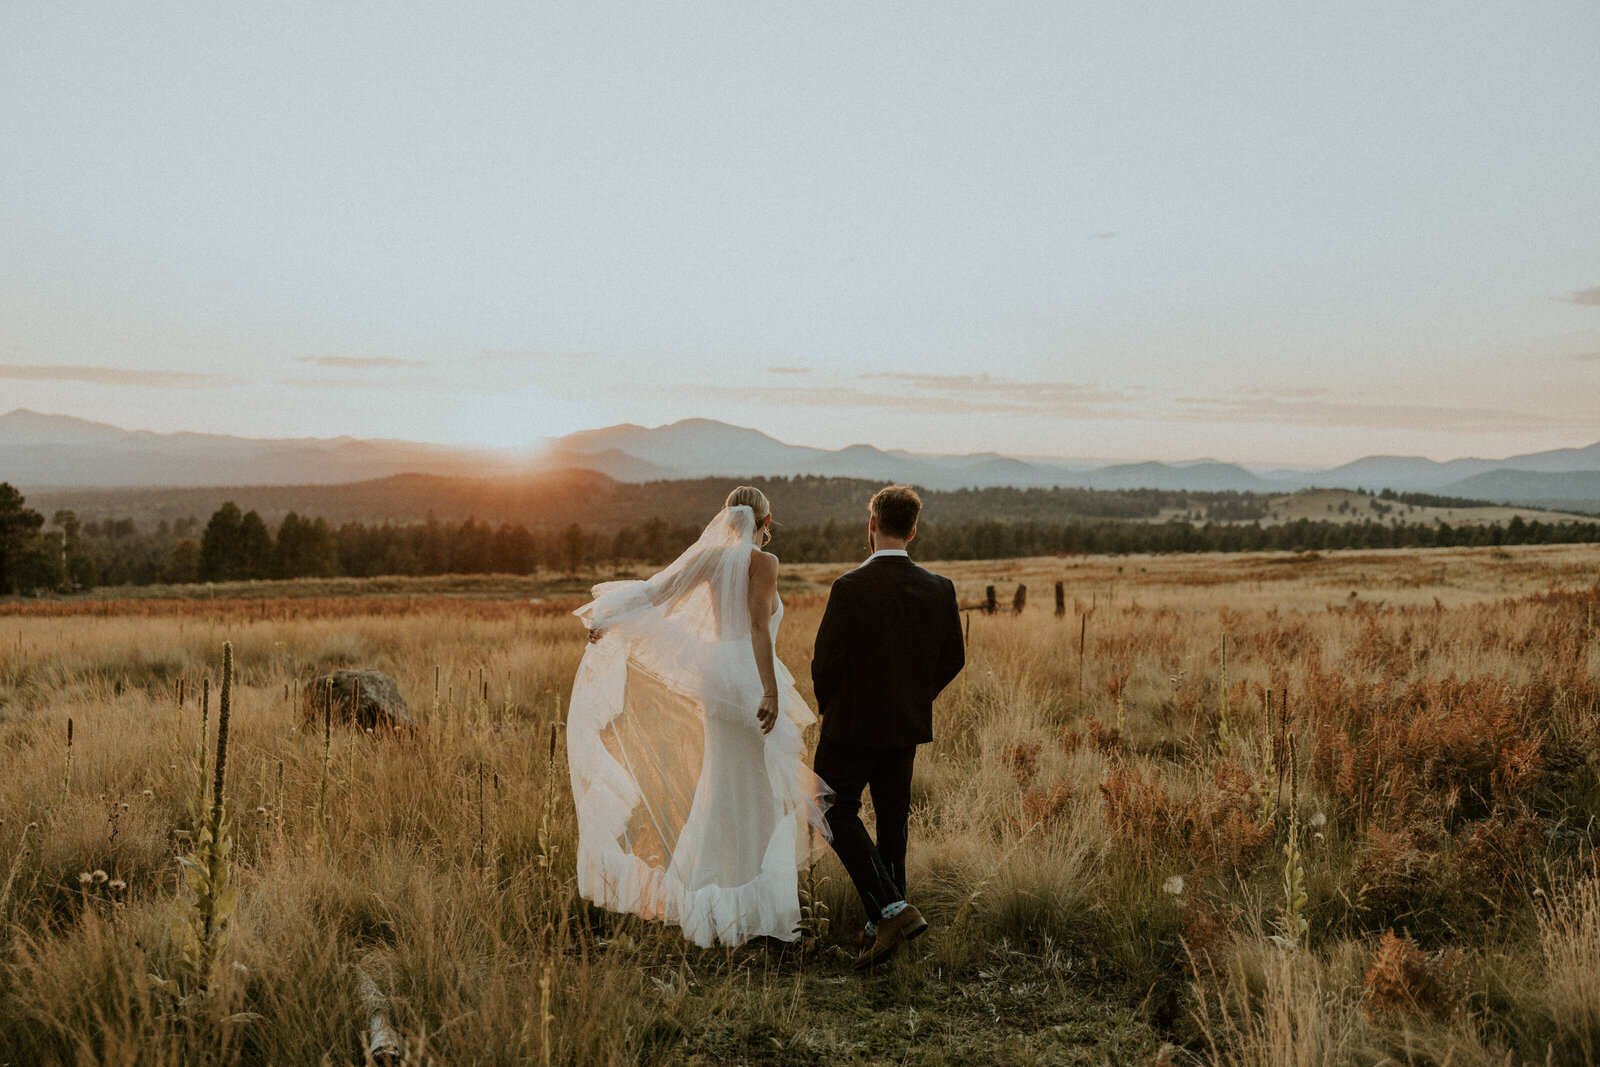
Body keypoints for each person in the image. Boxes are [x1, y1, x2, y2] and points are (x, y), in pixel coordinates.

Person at [567, 486, 830, 947]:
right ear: (765, 523)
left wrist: (610, 619)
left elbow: (656, 594)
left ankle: (715, 911)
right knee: (757, 791)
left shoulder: (709, 560)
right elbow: (755, 625)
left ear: (727, 520)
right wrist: (769, 690)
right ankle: (755, 914)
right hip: (747, 681)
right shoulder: (763, 563)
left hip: (717, 682)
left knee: (724, 786)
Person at [811, 484, 965, 969]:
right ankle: (883, 926)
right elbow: (953, 659)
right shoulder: (940, 588)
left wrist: (832, 707)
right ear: (914, 530)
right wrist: (913, 699)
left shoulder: (849, 587)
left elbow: (825, 664)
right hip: (904, 727)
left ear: (871, 526)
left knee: (826, 808)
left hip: (851, 726)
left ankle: (893, 910)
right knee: (891, 824)